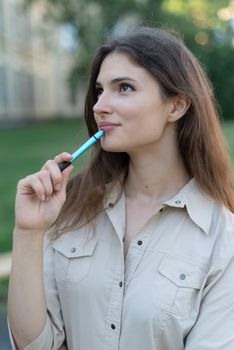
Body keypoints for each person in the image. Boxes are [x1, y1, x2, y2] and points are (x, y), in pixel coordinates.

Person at [8, 26, 234, 350]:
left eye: (124, 88)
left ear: (176, 106)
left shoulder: (222, 239)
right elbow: (35, 345)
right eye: (99, 91)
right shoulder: (70, 208)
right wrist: (28, 232)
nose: (100, 105)